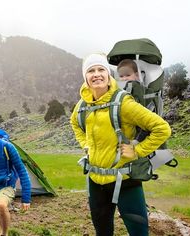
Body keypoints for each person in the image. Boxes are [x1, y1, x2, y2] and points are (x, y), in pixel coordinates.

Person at [70, 53, 171, 236]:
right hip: (96, 180)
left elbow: (162, 128)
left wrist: (137, 151)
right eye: (91, 71)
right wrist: (85, 144)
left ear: (109, 75)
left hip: (125, 180)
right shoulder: (82, 105)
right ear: (85, 77)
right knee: (102, 232)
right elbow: (75, 123)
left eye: (101, 69)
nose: (96, 74)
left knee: (139, 232)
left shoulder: (123, 102)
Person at [0, 128, 31, 236]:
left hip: (6, 185)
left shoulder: (7, 147)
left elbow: (22, 170)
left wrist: (26, 198)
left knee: (0, 205)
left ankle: (5, 234)